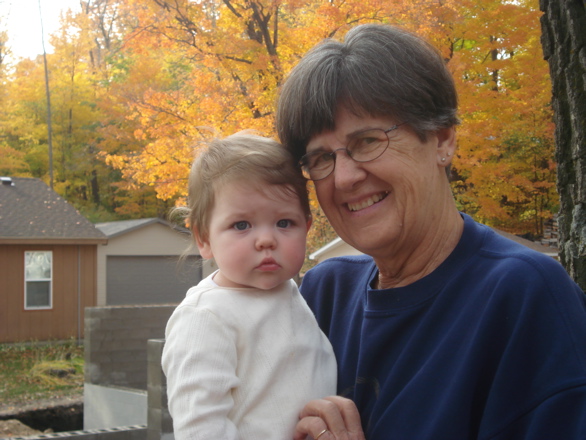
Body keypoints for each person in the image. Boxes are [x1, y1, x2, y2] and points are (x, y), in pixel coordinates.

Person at [276, 23, 586, 440]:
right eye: (320, 158)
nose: (344, 177)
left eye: (368, 141)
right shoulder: (322, 297)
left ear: (442, 139)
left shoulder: (523, 297)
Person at [161, 132, 337, 439]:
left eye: (285, 223)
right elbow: (199, 427)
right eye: (241, 225)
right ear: (204, 238)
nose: (266, 240)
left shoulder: (290, 293)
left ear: (306, 227)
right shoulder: (205, 317)